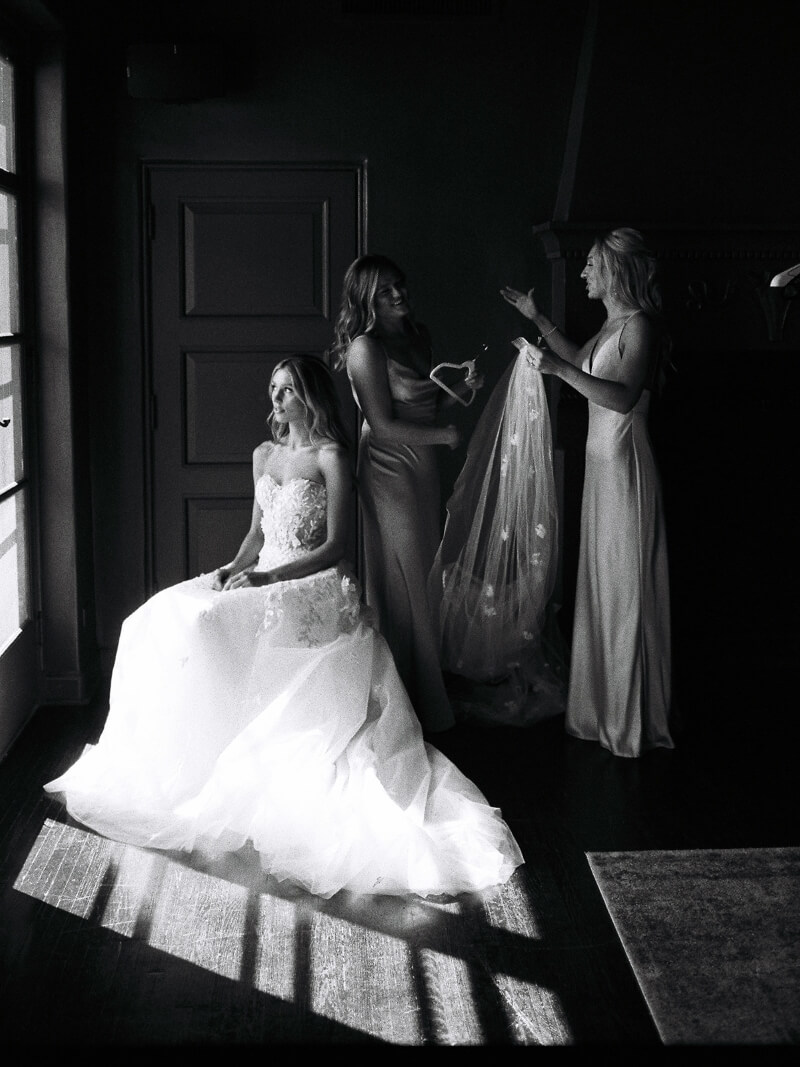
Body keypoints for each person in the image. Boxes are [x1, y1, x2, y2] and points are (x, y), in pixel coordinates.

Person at [44, 356, 523, 898]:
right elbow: (255, 533)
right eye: (272, 389)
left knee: (212, 621)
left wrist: (271, 575)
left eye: (288, 390)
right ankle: (191, 758)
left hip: (310, 581)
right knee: (161, 615)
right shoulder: (264, 455)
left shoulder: (332, 456)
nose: (275, 401)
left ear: (311, 397)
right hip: (261, 570)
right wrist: (232, 569)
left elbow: (337, 546)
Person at [501, 227, 674, 758]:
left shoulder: (640, 326)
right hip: (600, 467)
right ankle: (599, 711)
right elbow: (580, 361)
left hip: (624, 465)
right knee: (601, 584)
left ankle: (631, 719)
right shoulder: (611, 326)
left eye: (592, 265)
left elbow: (621, 399)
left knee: (624, 587)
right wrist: (538, 321)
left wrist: (556, 370)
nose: (583, 273)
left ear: (616, 271)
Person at [330, 255, 483, 734]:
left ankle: (421, 689)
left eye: (399, 285)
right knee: (404, 577)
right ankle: (410, 704)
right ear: (365, 301)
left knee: (426, 571)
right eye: (384, 292)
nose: (398, 295)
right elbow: (382, 424)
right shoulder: (364, 349)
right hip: (387, 467)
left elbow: (428, 401)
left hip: (422, 467)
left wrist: (462, 384)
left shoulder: (419, 334)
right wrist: (442, 438)